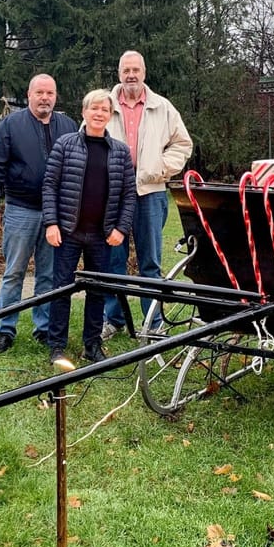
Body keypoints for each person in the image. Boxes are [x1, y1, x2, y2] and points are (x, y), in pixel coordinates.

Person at [0, 74, 79, 352]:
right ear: (29, 95)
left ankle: (44, 328)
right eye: (40, 92)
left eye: (50, 93)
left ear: (55, 96)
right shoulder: (11, 125)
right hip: (21, 210)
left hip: (56, 217)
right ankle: (5, 330)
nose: (45, 98)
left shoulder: (68, 126)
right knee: (14, 272)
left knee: (48, 275)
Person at [101, 50, 193, 340]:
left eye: (136, 70)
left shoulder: (162, 107)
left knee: (149, 262)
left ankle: (152, 323)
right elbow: (86, 141)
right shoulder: (103, 105)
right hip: (111, 195)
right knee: (113, 261)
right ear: (119, 73)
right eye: (126, 70)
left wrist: (161, 169)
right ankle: (113, 319)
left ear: (144, 73)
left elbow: (182, 144)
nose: (131, 75)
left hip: (149, 192)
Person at [42, 89, 136, 370]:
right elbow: (49, 185)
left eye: (104, 110)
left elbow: (129, 195)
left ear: (110, 115)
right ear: (84, 112)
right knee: (60, 289)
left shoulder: (120, 151)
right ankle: (56, 345)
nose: (98, 114)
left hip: (103, 235)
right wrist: (51, 222)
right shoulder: (65, 145)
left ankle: (92, 344)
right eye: (94, 108)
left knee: (97, 290)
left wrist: (121, 227)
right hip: (68, 232)